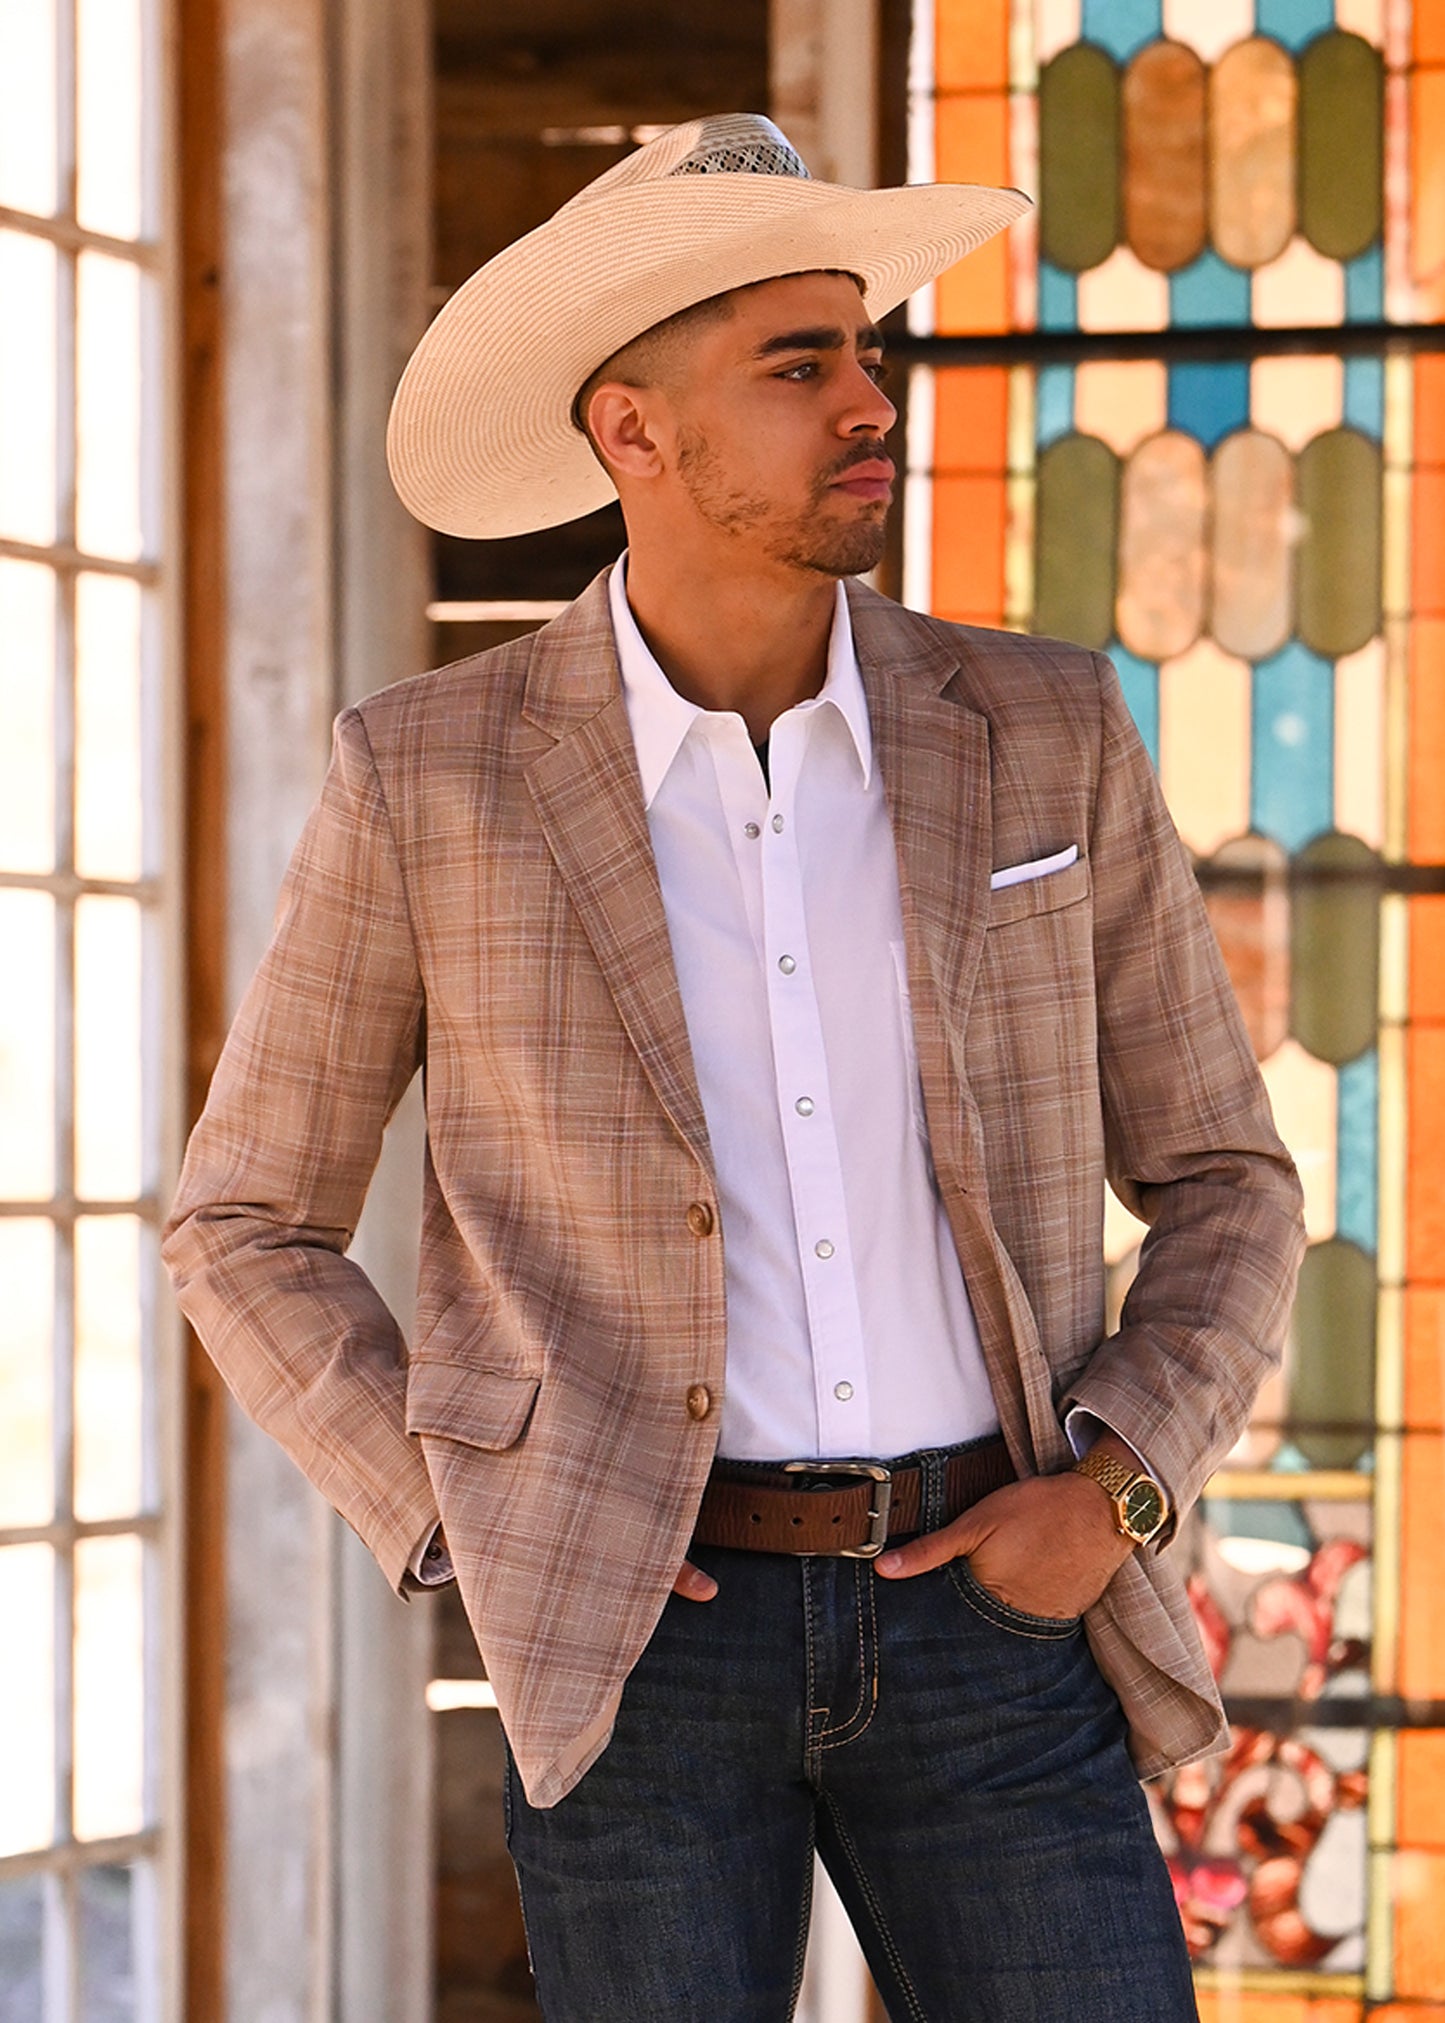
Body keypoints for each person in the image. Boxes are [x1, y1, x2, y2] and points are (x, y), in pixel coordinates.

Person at [165, 114, 1305, 2021]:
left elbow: (1224, 1178)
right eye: (800, 366)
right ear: (634, 432)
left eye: (867, 353)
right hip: (638, 1645)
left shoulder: (1041, 730)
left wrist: (1113, 1487)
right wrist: (462, 1513)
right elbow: (241, 1218)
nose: (870, 399)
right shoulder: (428, 776)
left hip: (997, 1602)